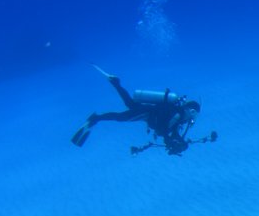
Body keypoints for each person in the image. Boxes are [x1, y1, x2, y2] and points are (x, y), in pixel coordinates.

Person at [71, 65, 216, 155]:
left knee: (129, 104)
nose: (194, 118)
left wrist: (177, 140)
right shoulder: (178, 115)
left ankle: (115, 83)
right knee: (121, 117)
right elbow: (165, 130)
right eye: (195, 114)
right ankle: (96, 118)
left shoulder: (180, 117)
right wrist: (172, 141)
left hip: (148, 112)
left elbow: (171, 131)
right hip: (147, 113)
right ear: (191, 111)